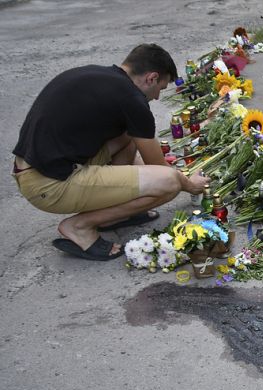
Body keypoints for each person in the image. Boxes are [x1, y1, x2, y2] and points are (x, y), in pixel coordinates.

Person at [11, 43, 208, 261]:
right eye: (160, 88)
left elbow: (141, 151)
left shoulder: (100, 75)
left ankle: (113, 216)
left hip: (32, 169)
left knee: (130, 136)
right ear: (151, 78)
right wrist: (190, 185)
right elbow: (161, 169)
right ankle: (80, 227)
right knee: (170, 184)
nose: (158, 97)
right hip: (49, 185)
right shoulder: (131, 99)